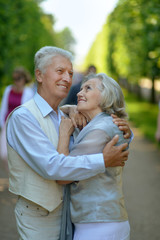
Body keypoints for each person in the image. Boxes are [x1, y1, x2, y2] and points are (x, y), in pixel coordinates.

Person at [6, 46, 131, 240]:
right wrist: (103, 160)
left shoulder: (66, 115)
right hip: (40, 216)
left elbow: (103, 128)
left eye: (71, 73)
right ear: (39, 75)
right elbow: (52, 166)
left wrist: (125, 132)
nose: (67, 78)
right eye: (60, 71)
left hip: (69, 215)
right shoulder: (23, 118)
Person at [57, 73, 131, 240]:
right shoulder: (98, 123)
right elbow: (55, 111)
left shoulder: (100, 129)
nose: (79, 92)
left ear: (105, 96)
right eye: (81, 88)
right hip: (101, 221)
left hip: (98, 224)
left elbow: (63, 175)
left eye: (88, 88)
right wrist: (71, 108)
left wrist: (63, 134)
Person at [0, 66, 34, 171]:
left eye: (19, 78)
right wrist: (2, 124)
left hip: (20, 126)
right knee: (4, 154)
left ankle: (17, 180)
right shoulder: (8, 89)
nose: (16, 81)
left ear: (24, 79)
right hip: (7, 124)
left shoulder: (29, 93)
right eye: (14, 78)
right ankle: (11, 177)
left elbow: (30, 112)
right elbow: (3, 107)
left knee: (19, 154)